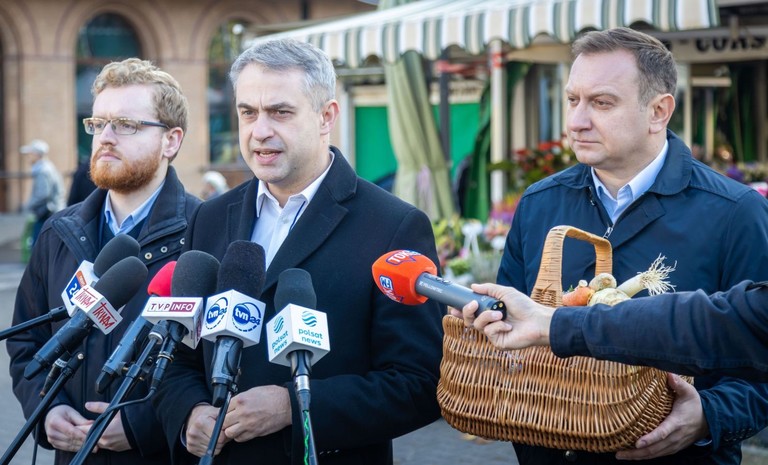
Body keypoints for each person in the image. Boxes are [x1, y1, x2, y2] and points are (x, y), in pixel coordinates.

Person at [153, 39, 444, 465]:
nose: (259, 131)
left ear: (326, 116)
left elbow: (419, 383)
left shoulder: (393, 226)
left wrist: (295, 407)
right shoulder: (210, 217)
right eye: (248, 112)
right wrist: (188, 413)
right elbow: (178, 354)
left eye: (280, 112)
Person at [496, 28, 768, 464]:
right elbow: (508, 333)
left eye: (601, 103)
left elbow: (761, 364)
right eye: (572, 100)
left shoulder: (735, 213)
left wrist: (708, 416)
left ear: (658, 112)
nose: (576, 121)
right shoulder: (539, 203)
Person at [7, 58, 201, 465]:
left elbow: (219, 365)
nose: (106, 137)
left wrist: (141, 426)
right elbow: (27, 342)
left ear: (171, 141)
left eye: (126, 125)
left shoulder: (206, 232)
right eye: (97, 124)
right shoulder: (58, 232)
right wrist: (46, 409)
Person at [452, 280, 768, 381]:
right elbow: (721, 321)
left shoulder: (739, 208)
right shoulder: (537, 200)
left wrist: (710, 417)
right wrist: (549, 322)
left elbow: (726, 327)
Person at [20, 139, 65, 245]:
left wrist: (28, 205)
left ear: (36, 154)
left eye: (30, 154)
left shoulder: (43, 171)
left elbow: (42, 194)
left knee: (39, 246)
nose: (28, 157)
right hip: (50, 213)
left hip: (46, 214)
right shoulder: (46, 168)